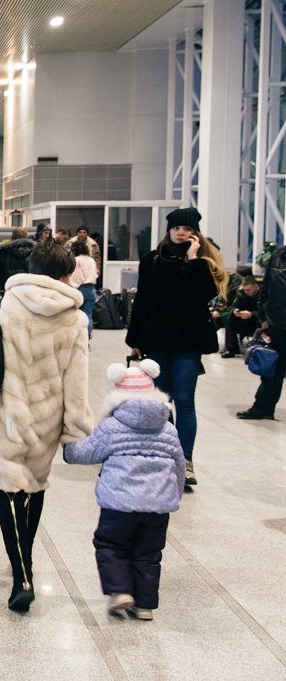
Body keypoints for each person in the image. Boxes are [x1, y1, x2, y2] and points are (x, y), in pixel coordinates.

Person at [0, 241, 91, 612]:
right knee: (34, 486)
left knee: (7, 488)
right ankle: (26, 559)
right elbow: (76, 379)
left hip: (2, 409)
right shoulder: (74, 317)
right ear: (65, 274)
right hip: (46, 417)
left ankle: (23, 575)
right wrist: (75, 426)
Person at [63, 360, 185, 621]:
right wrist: (176, 493)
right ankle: (145, 606)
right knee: (149, 553)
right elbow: (179, 466)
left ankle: (119, 591)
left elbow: (86, 453)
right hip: (158, 504)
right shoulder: (169, 429)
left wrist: (67, 450)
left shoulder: (112, 426)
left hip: (119, 503)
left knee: (110, 544)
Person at [125, 207, 226, 487]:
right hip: (157, 340)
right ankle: (167, 457)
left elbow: (205, 295)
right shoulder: (152, 260)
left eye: (187, 229)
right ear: (168, 229)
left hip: (188, 343)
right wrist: (135, 341)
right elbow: (142, 301)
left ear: (195, 233)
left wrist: (193, 260)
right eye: (176, 228)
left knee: (184, 400)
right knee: (162, 403)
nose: (181, 232)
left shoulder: (202, 263)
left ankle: (186, 461)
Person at [237, 245, 286, 420]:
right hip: (276, 324)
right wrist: (263, 316)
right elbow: (265, 288)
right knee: (271, 369)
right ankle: (263, 407)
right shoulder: (279, 254)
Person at [219, 275, 259, 358]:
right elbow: (233, 306)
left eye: (249, 290)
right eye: (245, 290)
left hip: (258, 320)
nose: (246, 292)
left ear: (256, 287)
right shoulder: (241, 294)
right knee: (231, 319)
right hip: (244, 319)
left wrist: (251, 314)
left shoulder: (263, 295)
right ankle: (231, 348)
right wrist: (235, 311)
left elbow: (265, 311)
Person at [0, 227, 35, 292]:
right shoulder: (34, 253)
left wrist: (0, 288)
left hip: (7, 292)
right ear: (26, 237)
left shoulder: (2, 252)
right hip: (27, 293)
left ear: (12, 237)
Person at [69, 239, 98, 336]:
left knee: (77, 315)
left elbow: (77, 277)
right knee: (88, 315)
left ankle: (79, 336)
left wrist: (72, 288)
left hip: (81, 289)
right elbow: (96, 274)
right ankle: (87, 335)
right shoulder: (91, 260)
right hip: (92, 289)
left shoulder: (77, 260)